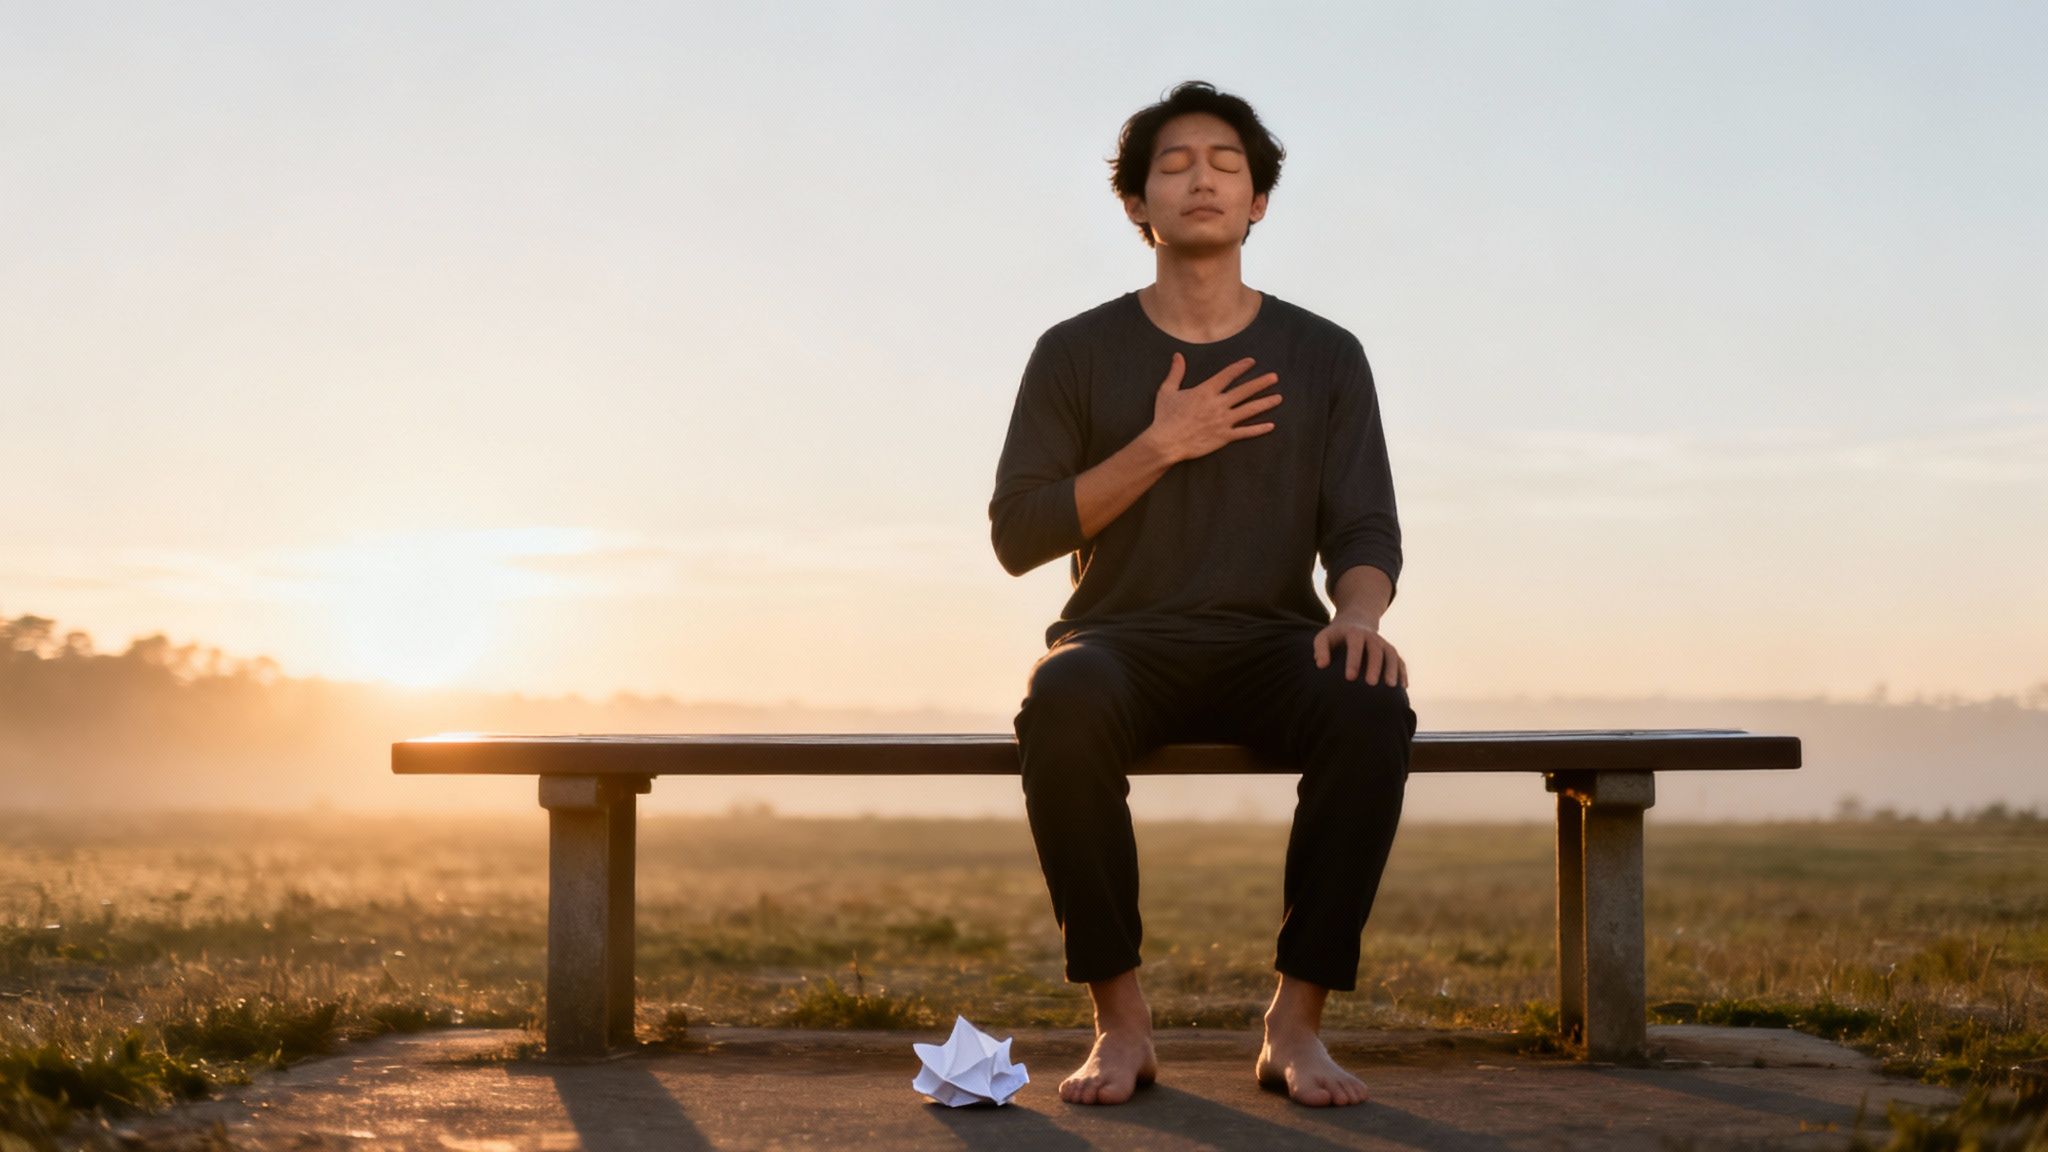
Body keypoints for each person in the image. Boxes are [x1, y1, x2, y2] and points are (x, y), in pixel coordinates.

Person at [988, 80, 1416, 1109]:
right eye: (1173, 164)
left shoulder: (1322, 355)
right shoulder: (1076, 352)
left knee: (1369, 704)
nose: (1201, 180)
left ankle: (1294, 1025)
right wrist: (1157, 445)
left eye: (1225, 164)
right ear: (1137, 204)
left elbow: (1363, 530)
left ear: (1258, 202)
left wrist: (1356, 617)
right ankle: (1120, 1026)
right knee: (1062, 700)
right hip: (1118, 642)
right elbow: (1018, 534)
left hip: (1273, 643)